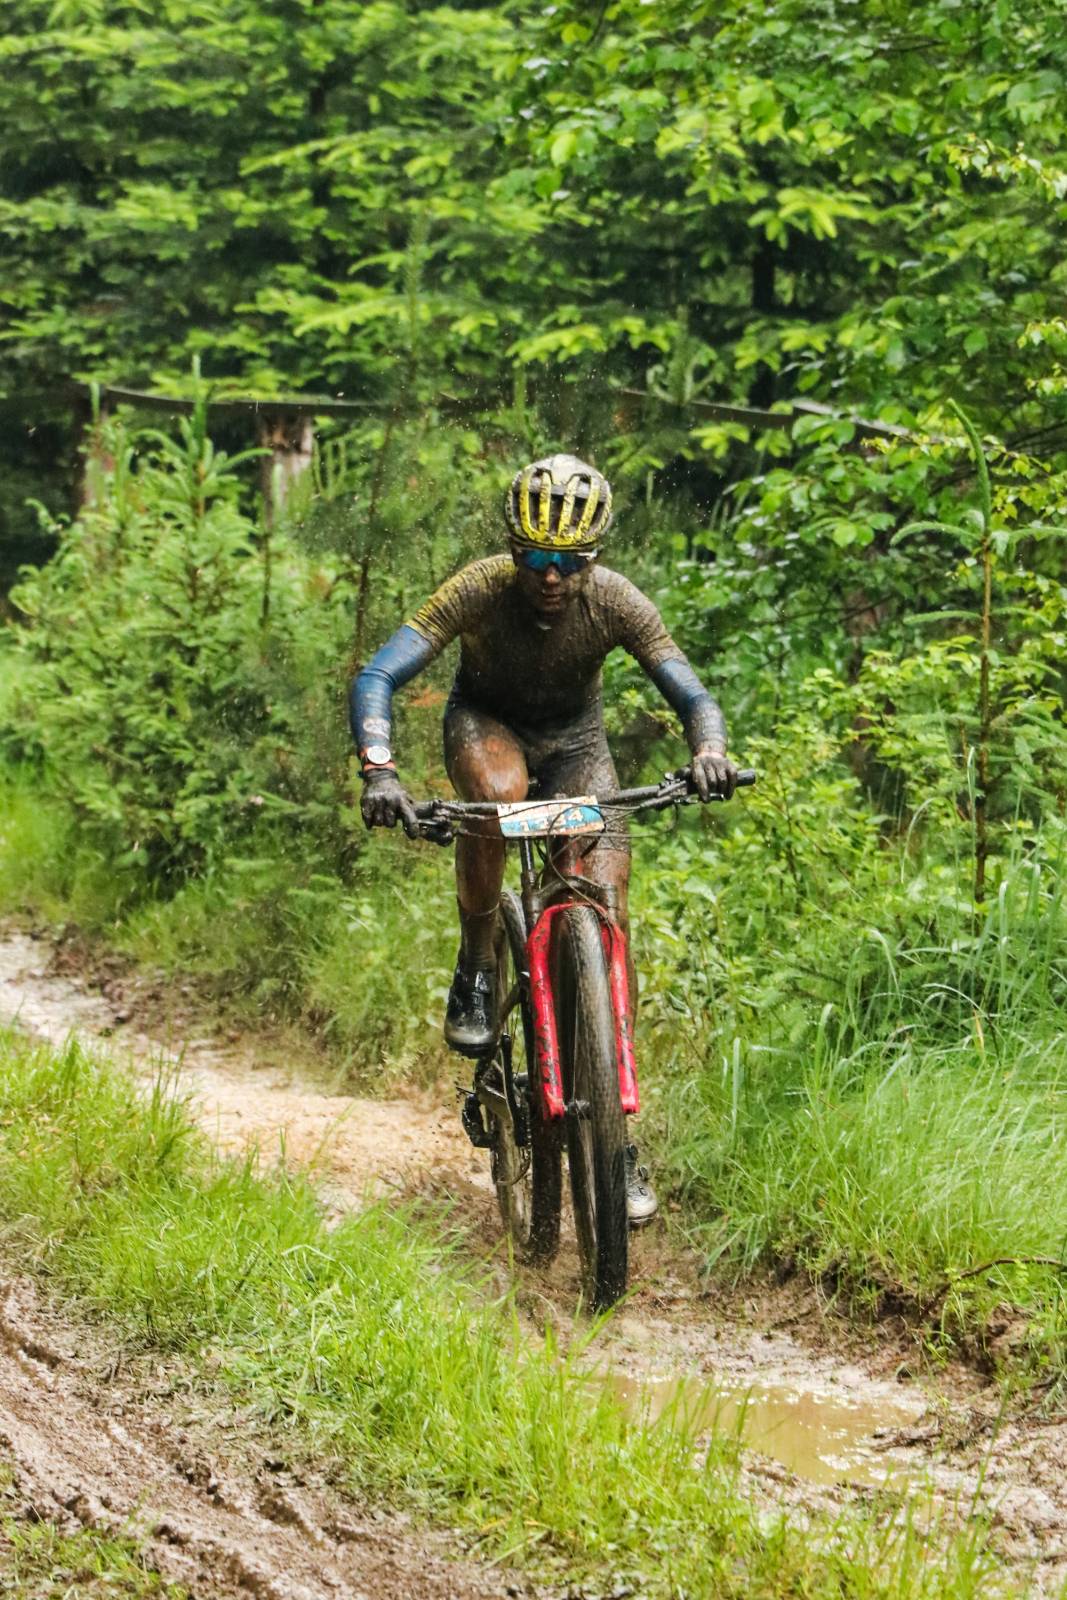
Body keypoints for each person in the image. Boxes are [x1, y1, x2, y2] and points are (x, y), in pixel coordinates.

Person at [351, 453, 738, 1224]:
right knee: (497, 798)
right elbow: (378, 676)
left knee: (607, 902)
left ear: (594, 558)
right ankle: (476, 961)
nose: (551, 576)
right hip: (486, 727)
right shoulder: (478, 587)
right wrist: (380, 772)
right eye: (533, 558)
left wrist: (709, 751)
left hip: (577, 748)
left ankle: (616, 1139)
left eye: (570, 561)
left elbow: (689, 691)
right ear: (511, 550)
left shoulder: (616, 601)